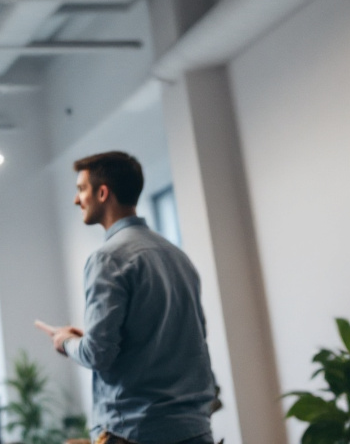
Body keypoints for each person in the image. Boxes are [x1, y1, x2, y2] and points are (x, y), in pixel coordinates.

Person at [37, 151, 216, 444]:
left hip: (137, 432)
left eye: (81, 189)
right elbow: (185, 340)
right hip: (194, 430)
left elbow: (98, 354)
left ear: (103, 192)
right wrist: (91, 336)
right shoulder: (178, 256)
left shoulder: (108, 259)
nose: (76, 200)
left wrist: (66, 342)